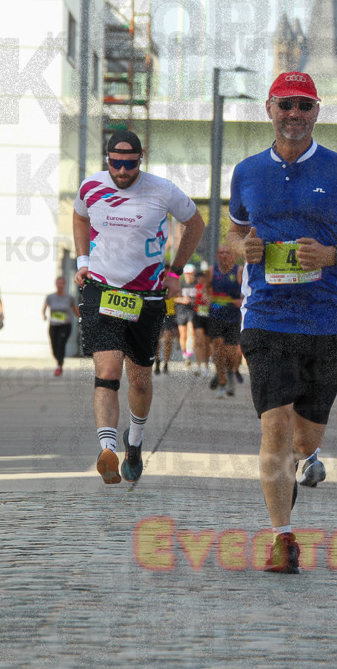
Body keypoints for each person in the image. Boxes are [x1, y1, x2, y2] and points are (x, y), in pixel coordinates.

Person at [226, 71, 337, 573]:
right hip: (266, 315)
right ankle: (282, 538)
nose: (294, 114)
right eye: (285, 104)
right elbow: (234, 233)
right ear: (269, 109)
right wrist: (243, 248)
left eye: (304, 105)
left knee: (304, 440)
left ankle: (298, 465)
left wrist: (333, 254)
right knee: (274, 422)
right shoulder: (247, 171)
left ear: (317, 112)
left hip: (323, 321)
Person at [73, 129, 205, 484]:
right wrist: (83, 261)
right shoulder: (90, 186)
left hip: (146, 295)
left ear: (140, 159)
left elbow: (195, 224)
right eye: (116, 164)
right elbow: (80, 217)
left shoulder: (162, 190)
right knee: (108, 370)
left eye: (129, 164)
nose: (122, 171)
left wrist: (175, 271)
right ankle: (107, 449)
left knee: (141, 381)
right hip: (101, 289)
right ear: (107, 159)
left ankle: (134, 440)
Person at [207, 246, 243, 398]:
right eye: (221, 253)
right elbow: (206, 288)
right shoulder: (211, 271)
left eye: (227, 252)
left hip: (233, 316)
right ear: (217, 256)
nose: (224, 255)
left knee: (230, 354)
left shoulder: (239, 271)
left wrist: (241, 300)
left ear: (233, 256)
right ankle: (222, 383)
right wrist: (206, 297)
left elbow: (247, 290)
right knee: (218, 349)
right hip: (215, 315)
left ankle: (229, 374)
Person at [42, 276, 80, 376]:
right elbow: (45, 307)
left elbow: (75, 309)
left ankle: (59, 366)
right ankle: (59, 360)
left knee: (61, 343)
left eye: (61, 283)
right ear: (56, 284)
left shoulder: (69, 298)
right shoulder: (50, 297)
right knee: (54, 346)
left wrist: (80, 318)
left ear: (64, 284)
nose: (59, 285)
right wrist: (44, 314)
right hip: (54, 325)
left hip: (65, 325)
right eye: (58, 283)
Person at [173, 263, 199, 366]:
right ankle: (185, 355)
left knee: (191, 331)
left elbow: (201, 297)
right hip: (181, 309)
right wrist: (182, 300)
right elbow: (174, 298)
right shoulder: (180, 284)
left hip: (192, 310)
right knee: (183, 334)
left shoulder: (197, 284)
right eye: (187, 274)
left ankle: (189, 352)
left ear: (194, 273)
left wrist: (194, 301)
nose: (188, 276)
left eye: (190, 274)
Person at [192, 262, 212, 376]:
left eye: (202, 277)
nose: (200, 279)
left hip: (209, 316)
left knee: (207, 343)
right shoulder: (195, 287)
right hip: (198, 314)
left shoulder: (211, 288)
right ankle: (198, 366)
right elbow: (193, 300)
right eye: (198, 277)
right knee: (199, 341)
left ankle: (207, 366)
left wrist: (209, 301)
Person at [154, 285, 178, 375]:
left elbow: (178, 294)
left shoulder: (172, 279)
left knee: (168, 339)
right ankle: (157, 360)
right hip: (157, 312)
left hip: (169, 313)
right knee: (157, 339)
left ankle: (166, 362)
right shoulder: (157, 279)